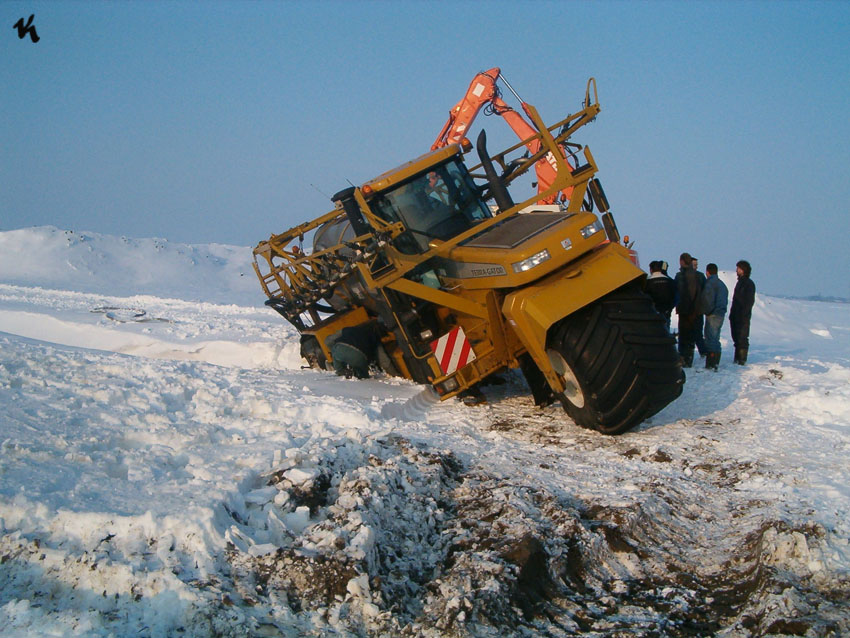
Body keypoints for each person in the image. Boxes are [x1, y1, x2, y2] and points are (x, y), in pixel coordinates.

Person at [674, 252, 704, 367]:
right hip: (696, 311)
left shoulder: (680, 276)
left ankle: (683, 358)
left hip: (684, 310)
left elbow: (677, 292)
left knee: (683, 336)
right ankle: (689, 359)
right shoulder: (699, 276)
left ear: (682, 261)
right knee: (692, 336)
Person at [699, 263, 728, 370]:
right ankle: (716, 362)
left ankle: (711, 364)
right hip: (721, 313)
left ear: (707, 272)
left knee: (710, 338)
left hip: (713, 314)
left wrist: (706, 311)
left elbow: (708, 300)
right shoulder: (722, 284)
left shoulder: (710, 284)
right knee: (716, 338)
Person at [729, 259, 756, 365]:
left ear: (743, 270)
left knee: (742, 337)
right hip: (736, 315)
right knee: (737, 337)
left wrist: (743, 314)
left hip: (742, 316)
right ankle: (738, 358)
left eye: (738, 269)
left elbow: (748, 301)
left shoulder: (748, 283)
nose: (736, 271)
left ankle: (741, 359)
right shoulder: (740, 282)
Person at [644, 260, 676, 332]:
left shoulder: (647, 282)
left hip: (651, 312)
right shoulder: (669, 281)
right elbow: (674, 296)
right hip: (666, 312)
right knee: (665, 331)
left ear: (651, 269)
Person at [691, 256, 708, 357]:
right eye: (694, 265)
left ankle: (703, 351)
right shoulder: (700, 277)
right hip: (694, 309)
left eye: (696, 265)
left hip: (697, 310)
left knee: (697, 333)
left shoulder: (701, 276)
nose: (696, 267)